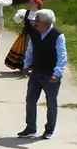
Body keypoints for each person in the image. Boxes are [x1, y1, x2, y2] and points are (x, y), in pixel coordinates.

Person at [18, 8, 67, 140]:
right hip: (36, 72)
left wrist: (57, 73)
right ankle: (30, 128)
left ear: (45, 22)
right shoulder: (35, 34)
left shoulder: (58, 36)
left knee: (51, 103)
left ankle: (49, 129)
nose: (35, 23)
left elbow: (62, 57)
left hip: (51, 75)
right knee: (30, 100)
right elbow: (30, 50)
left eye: (37, 21)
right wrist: (26, 65)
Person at [4, 0, 42, 71]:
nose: (30, 4)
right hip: (26, 35)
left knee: (35, 51)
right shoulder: (26, 12)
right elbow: (17, 21)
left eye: (32, 3)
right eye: (30, 3)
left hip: (37, 36)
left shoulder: (40, 14)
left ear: (37, 4)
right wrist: (20, 17)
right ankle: (24, 67)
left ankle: (34, 66)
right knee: (25, 50)